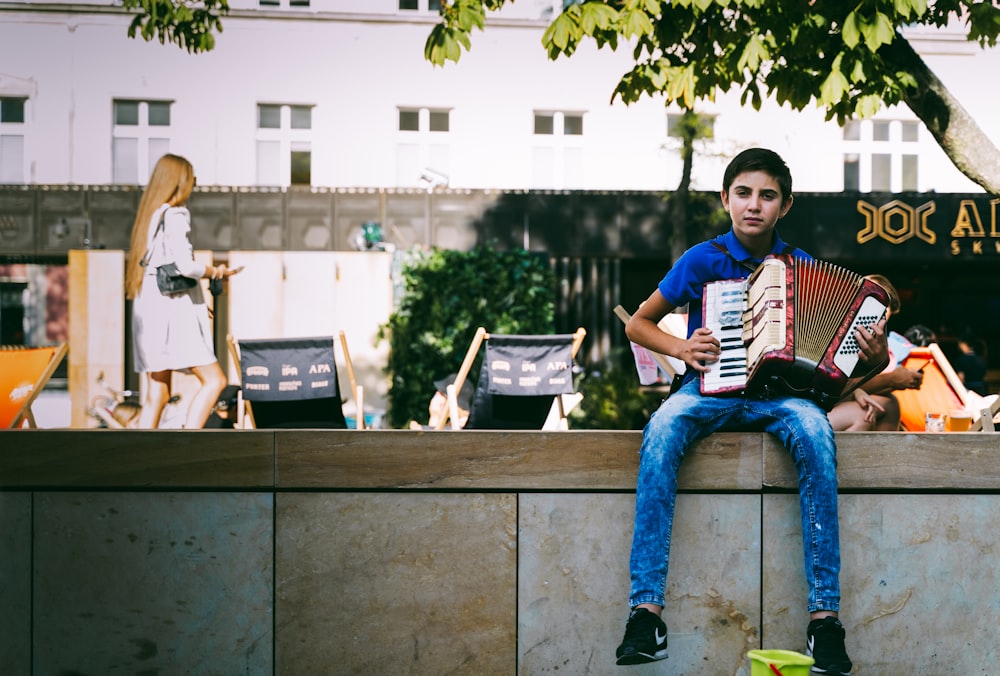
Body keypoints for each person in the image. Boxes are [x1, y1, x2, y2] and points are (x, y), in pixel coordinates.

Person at [617, 148, 888, 674]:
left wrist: (873, 362)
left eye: (767, 195)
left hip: (779, 397)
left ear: (784, 205)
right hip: (706, 390)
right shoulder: (701, 260)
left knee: (814, 430)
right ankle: (646, 613)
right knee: (662, 427)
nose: (754, 205)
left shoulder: (802, 268)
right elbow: (639, 324)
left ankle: (824, 621)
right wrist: (681, 349)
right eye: (743, 193)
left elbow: (832, 378)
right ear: (725, 199)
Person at [125, 153, 242, 429]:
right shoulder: (176, 214)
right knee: (215, 381)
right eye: (192, 180)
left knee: (158, 392)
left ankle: (138, 456)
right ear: (181, 182)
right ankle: (187, 443)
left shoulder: (150, 217)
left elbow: (165, 270)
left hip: (149, 310)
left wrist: (196, 302)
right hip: (171, 316)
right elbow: (184, 265)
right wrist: (216, 272)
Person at [826, 274, 923, 432]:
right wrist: (890, 379)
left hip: (832, 401)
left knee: (890, 404)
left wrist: (858, 391)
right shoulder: (835, 329)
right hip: (811, 406)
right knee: (864, 416)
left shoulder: (877, 342)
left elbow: (847, 384)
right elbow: (833, 387)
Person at [954, 331, 988, 396]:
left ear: (963, 344)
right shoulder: (981, 360)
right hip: (981, 391)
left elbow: (961, 379)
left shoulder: (961, 360)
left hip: (968, 392)